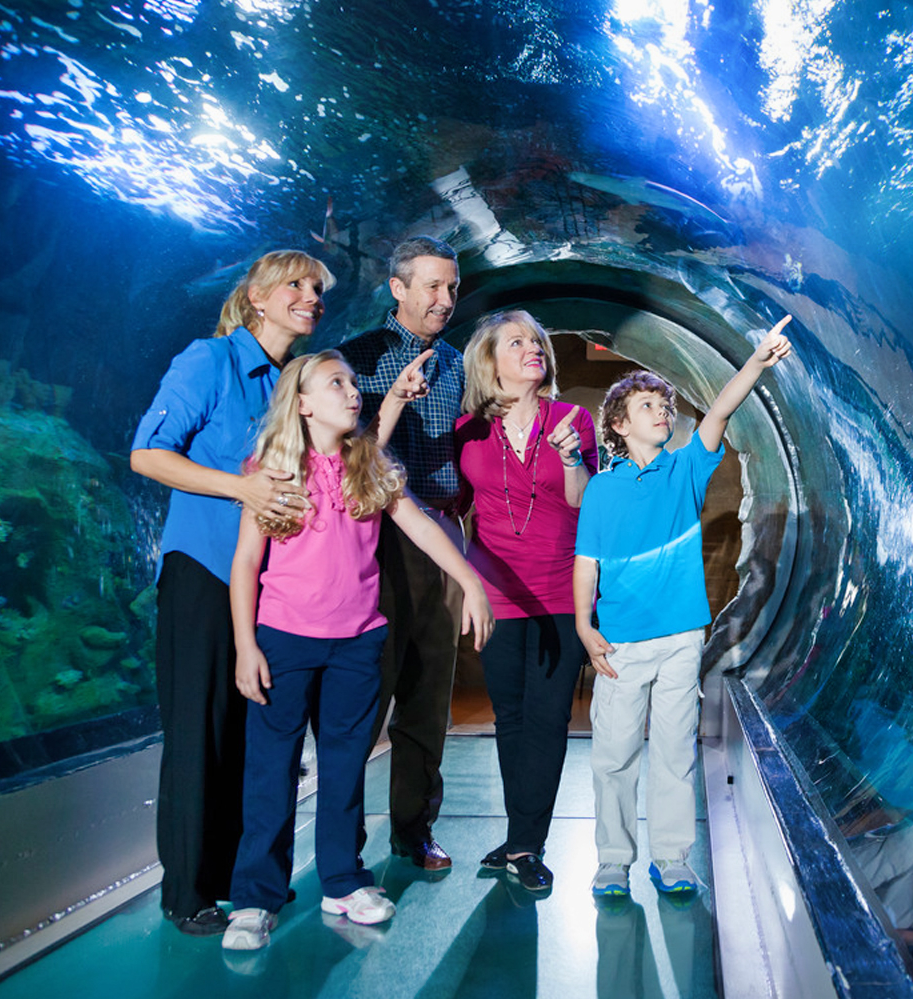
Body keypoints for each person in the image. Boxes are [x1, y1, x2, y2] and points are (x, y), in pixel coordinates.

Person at [222, 351, 493, 952]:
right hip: (284, 640)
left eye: (352, 382)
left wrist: (470, 580)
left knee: (345, 765)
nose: (352, 392)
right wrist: (245, 644)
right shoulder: (271, 471)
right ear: (301, 403)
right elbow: (245, 562)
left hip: (357, 642)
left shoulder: (369, 463)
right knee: (270, 769)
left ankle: (343, 880)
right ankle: (256, 897)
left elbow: (419, 524)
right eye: (336, 383)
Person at [130, 250, 331, 935]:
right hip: (204, 570)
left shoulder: (294, 381)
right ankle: (187, 890)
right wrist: (242, 487)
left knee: (254, 734)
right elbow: (148, 454)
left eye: (316, 288)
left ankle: (240, 878)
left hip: (270, 582)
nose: (311, 296)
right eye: (296, 284)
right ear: (256, 298)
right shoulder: (208, 361)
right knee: (199, 732)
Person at [575, 317, 793, 898]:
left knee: (675, 751)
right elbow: (586, 563)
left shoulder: (686, 469)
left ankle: (671, 858)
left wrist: (755, 361)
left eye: (666, 405)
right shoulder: (601, 488)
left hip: (680, 639)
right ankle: (613, 862)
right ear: (619, 425)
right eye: (647, 405)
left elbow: (718, 411)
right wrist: (583, 625)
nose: (662, 412)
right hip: (620, 640)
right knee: (615, 755)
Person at [455, 310, 598, 892]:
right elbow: (450, 509)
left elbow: (583, 502)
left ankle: (526, 844)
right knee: (510, 718)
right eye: (516, 342)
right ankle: (520, 836)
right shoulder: (468, 429)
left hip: (560, 592)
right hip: (495, 595)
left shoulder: (573, 419)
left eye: (537, 341)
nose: (532, 348)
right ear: (490, 362)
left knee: (548, 718)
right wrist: (462, 585)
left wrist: (571, 458)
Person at [338, 236, 468, 870]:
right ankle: (341, 842)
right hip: (378, 538)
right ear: (398, 287)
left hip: (441, 530)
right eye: (433, 286)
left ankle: (414, 829)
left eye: (452, 287)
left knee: (428, 692)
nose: (446, 299)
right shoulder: (356, 358)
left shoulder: (458, 364)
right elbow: (340, 454)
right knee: (368, 691)